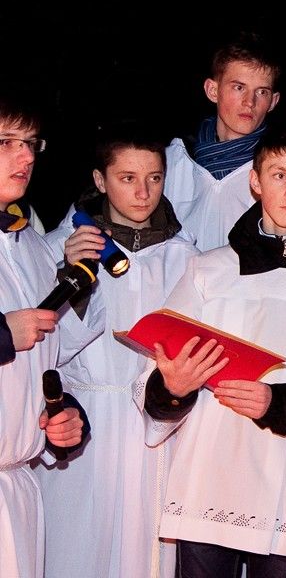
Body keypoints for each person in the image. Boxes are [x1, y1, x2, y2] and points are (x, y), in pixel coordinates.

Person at [140, 128, 286, 578]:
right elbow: (160, 362)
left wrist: (278, 403)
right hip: (209, 468)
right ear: (255, 181)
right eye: (279, 175)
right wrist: (173, 387)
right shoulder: (207, 270)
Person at [33, 125, 198, 578]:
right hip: (85, 423)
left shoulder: (188, 257)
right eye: (127, 178)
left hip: (157, 427)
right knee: (74, 550)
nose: (143, 193)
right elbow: (45, 348)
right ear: (100, 180)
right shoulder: (59, 248)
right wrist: (71, 278)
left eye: (154, 178)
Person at [1, 97, 101, 578]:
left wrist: (63, 419)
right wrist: (3, 332)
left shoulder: (35, 249)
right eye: (7, 142)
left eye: (30, 144)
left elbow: (46, 367)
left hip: (19, 490)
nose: (26, 156)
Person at [163, 32, 282, 251]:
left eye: (262, 91)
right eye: (239, 87)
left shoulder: (283, 169)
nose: (250, 102)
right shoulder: (173, 159)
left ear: (273, 101)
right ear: (213, 90)